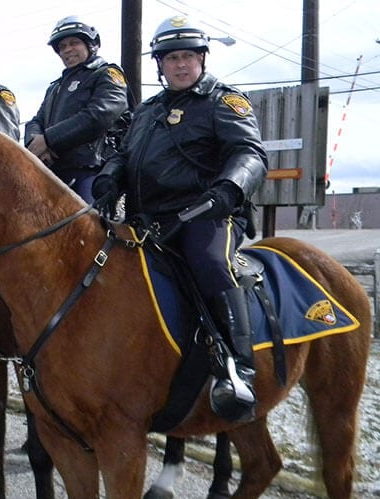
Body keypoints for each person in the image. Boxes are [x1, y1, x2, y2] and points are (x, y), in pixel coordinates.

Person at [92, 15, 268, 423]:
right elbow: (123, 155)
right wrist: (107, 179)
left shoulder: (223, 101)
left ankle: (237, 371)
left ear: (202, 59)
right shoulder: (147, 111)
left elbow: (250, 154)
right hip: (146, 219)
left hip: (206, 214)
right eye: (172, 58)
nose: (181, 64)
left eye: (188, 56)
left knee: (208, 262)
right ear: (160, 64)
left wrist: (228, 189)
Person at [24, 15, 130, 203]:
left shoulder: (107, 74)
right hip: (53, 170)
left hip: (91, 170)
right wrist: (37, 145)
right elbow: (36, 121)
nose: (67, 50)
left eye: (74, 43)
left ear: (90, 45)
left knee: (91, 228)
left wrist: (49, 139)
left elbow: (98, 115)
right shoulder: (55, 87)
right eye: (62, 47)